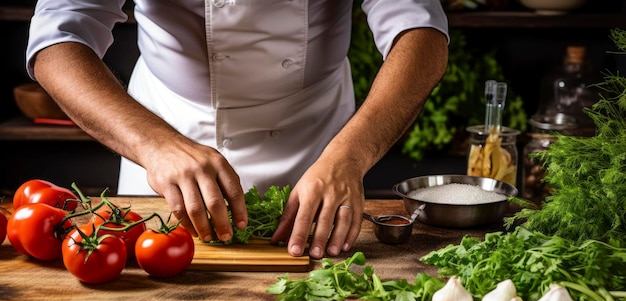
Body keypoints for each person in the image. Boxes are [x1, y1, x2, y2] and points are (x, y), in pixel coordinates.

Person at [26, 0, 449, 259]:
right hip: (166, 125)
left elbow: (420, 28)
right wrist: (154, 144)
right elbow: (58, 36)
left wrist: (351, 156)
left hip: (315, 136)